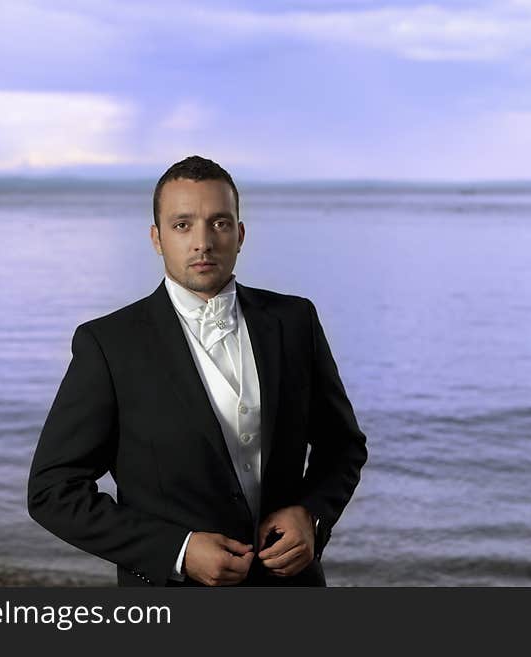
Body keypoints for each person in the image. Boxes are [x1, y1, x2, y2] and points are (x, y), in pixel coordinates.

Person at [27, 155, 367, 586]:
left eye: (219, 223)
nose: (202, 241)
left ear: (240, 234)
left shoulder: (295, 321)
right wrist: (178, 551)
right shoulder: (108, 345)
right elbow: (52, 492)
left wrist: (311, 515)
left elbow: (342, 444)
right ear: (157, 238)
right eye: (182, 225)